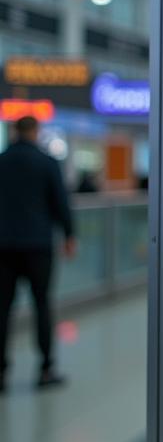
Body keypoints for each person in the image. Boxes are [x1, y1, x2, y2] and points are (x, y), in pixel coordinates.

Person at [0, 116, 76, 392]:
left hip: (4, 246)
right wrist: (69, 235)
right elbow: (60, 202)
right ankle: (45, 369)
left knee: (2, 310)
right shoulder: (46, 162)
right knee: (41, 305)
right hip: (38, 246)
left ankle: (1, 374)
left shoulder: (2, 161)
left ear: (14, 132)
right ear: (35, 131)